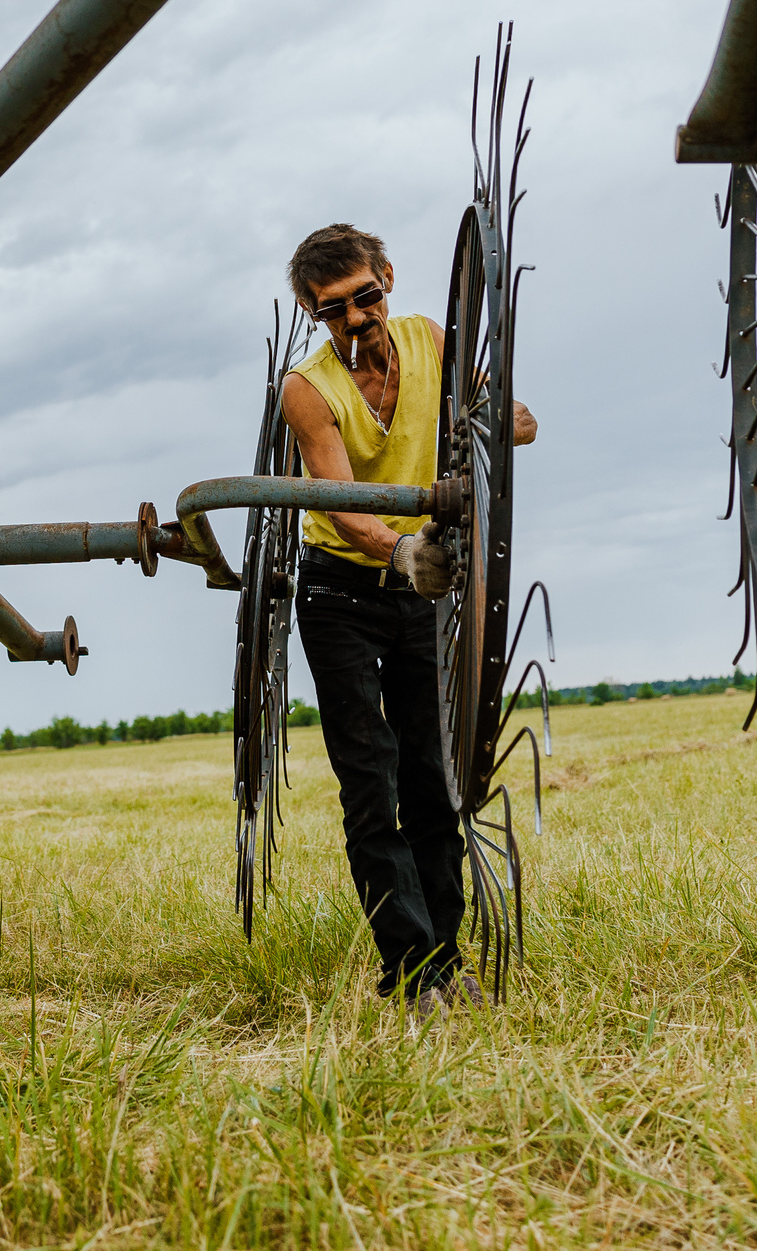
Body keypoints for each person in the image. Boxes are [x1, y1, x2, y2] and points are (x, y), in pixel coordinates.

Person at [278, 222, 536, 1012]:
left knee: (433, 778)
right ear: (312, 314)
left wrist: (496, 419)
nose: (357, 319)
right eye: (335, 310)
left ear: (387, 278)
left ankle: (449, 961)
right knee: (371, 782)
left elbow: (510, 416)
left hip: (422, 593)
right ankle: (411, 973)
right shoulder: (307, 390)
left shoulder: (430, 340)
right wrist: (402, 551)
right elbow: (345, 503)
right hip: (340, 592)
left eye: (367, 296)